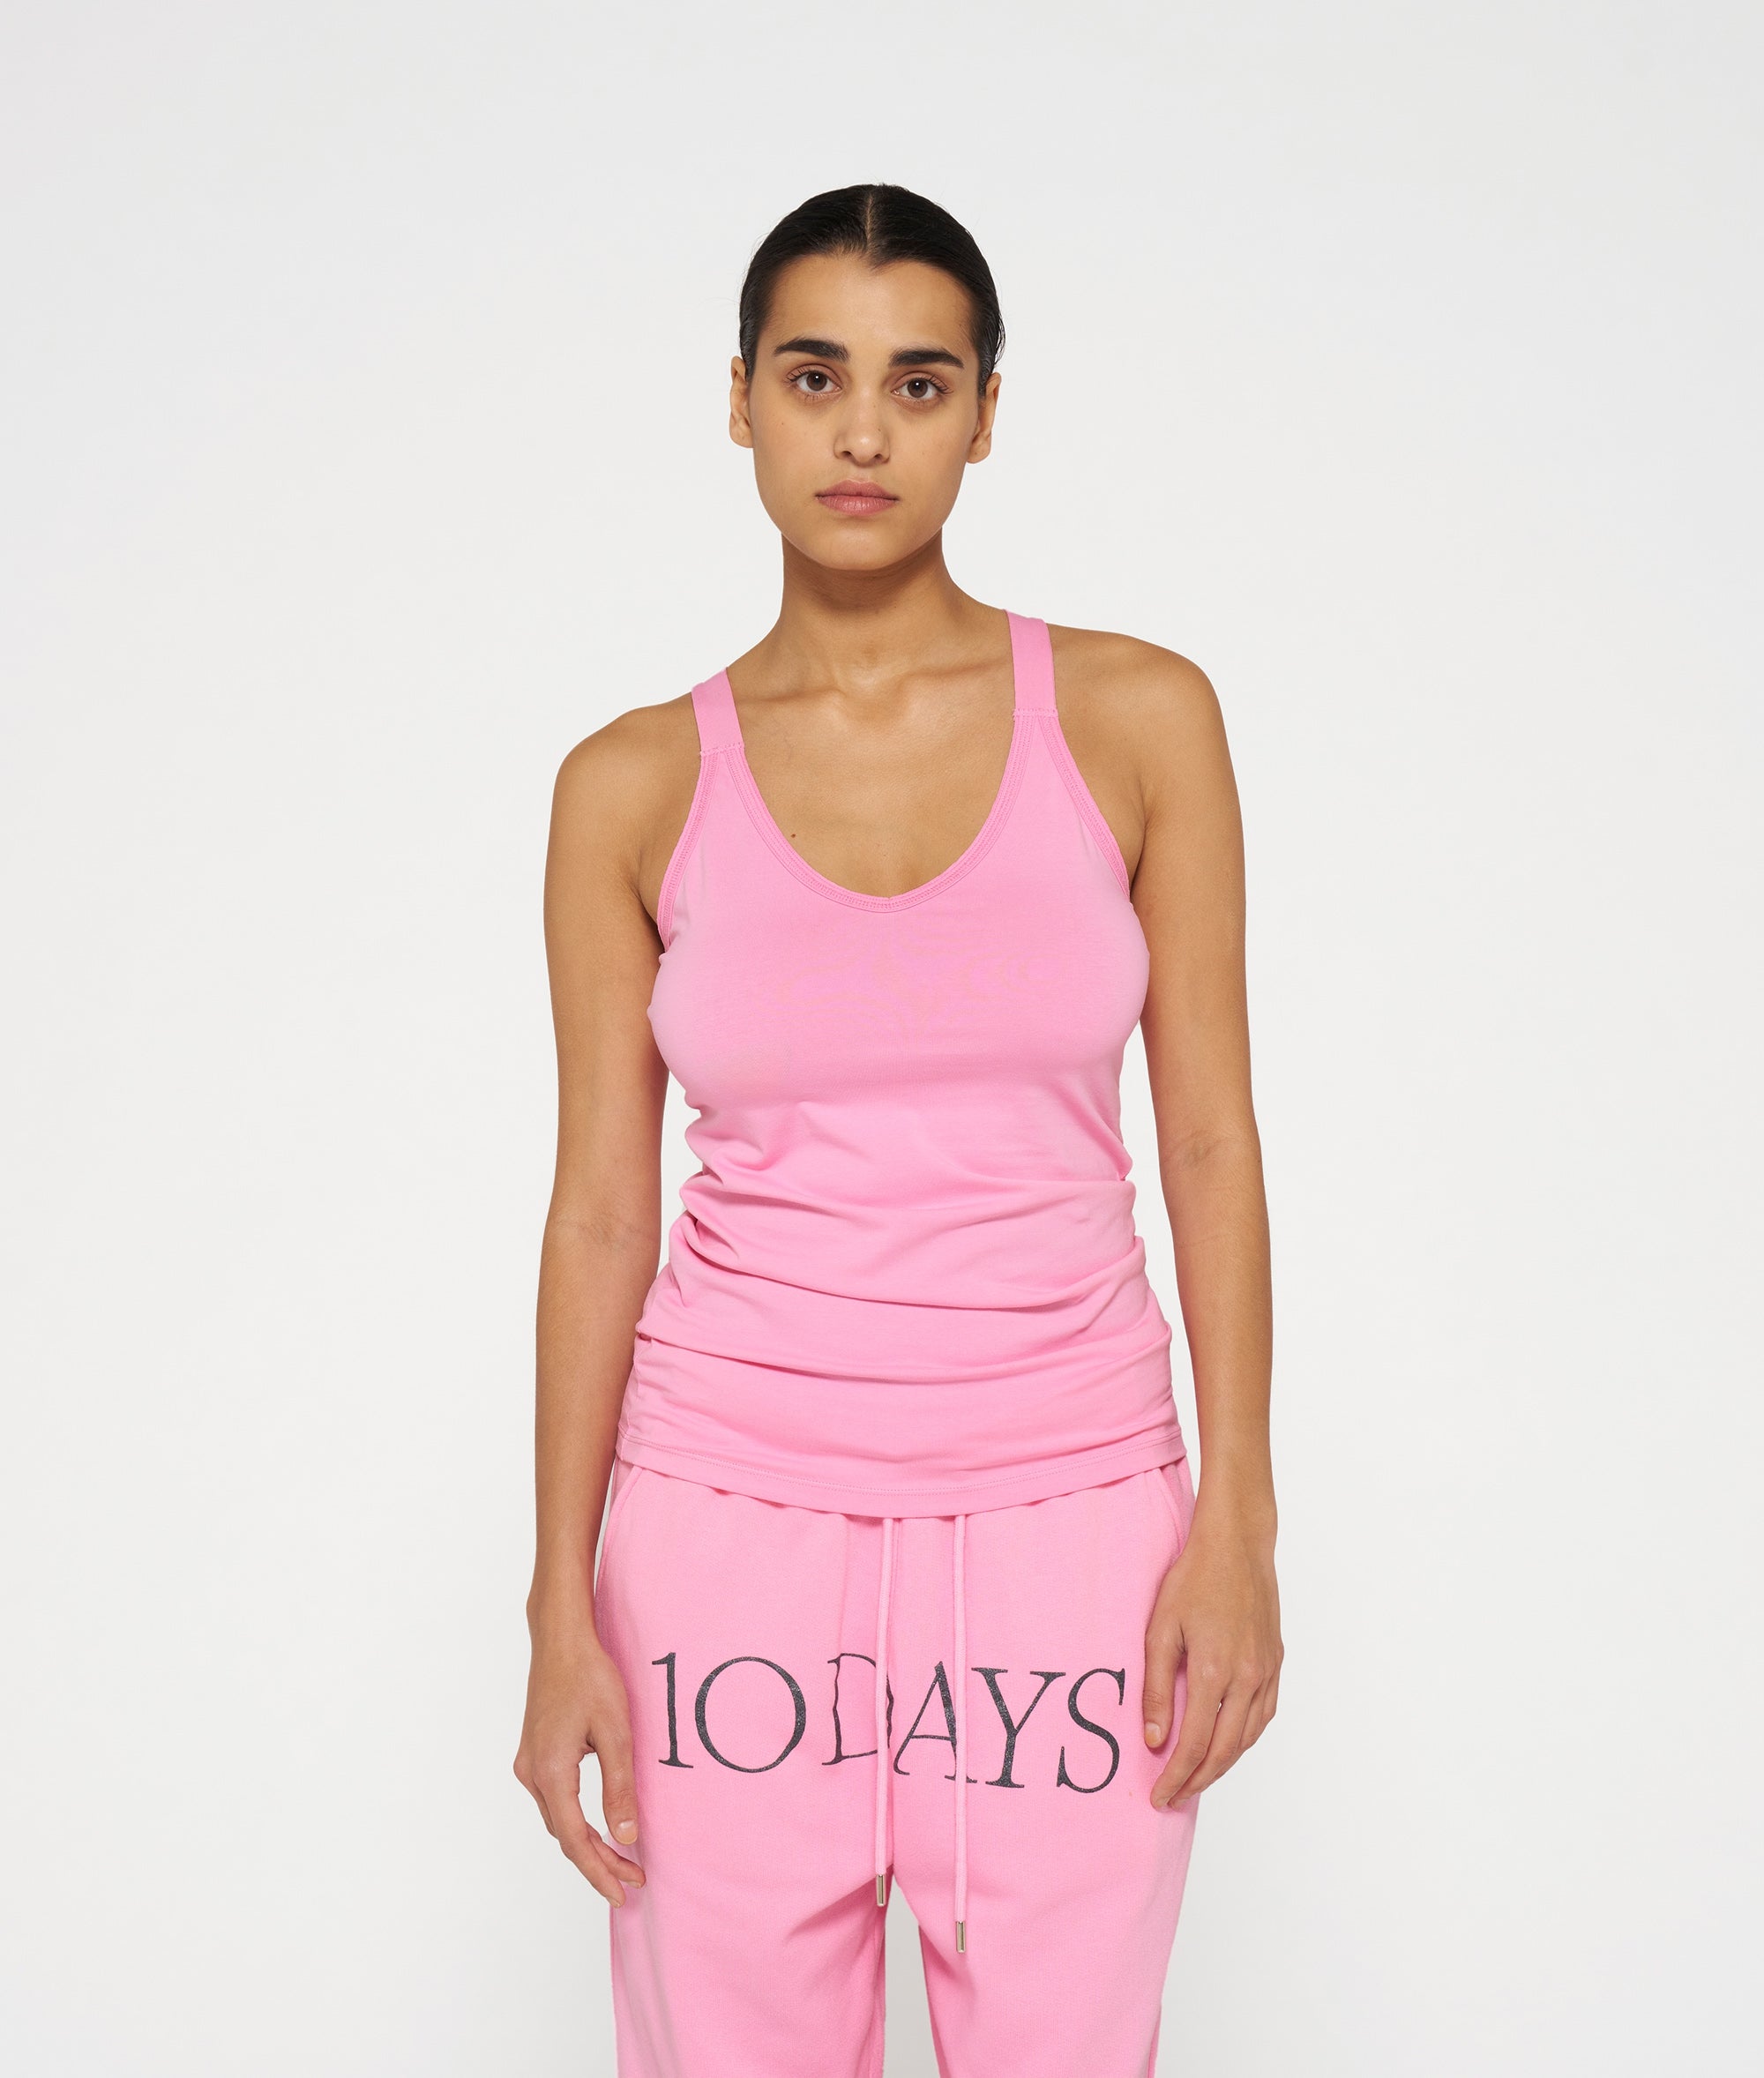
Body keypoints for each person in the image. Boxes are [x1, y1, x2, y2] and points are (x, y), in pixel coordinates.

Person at [514, 183, 1281, 2078]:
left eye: (919, 382)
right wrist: (555, 1601)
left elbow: (1208, 1140)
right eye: (814, 376)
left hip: (1076, 1519)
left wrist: (1240, 1516)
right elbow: (600, 1212)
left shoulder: (1137, 719)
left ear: (985, 414)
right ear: (740, 400)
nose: (862, 432)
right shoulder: (628, 783)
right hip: (722, 1530)